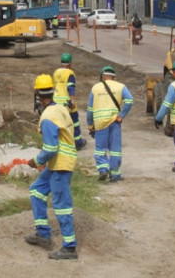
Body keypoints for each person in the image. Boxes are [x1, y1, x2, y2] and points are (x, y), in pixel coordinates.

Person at [24, 74, 79, 260]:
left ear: (38, 95)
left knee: (62, 205)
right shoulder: (60, 109)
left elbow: (50, 148)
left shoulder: (47, 117)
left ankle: (69, 247)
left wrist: (37, 161)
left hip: (60, 164)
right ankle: (43, 234)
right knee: (36, 191)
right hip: (59, 162)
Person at [87, 66, 133, 182]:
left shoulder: (95, 88)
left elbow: (90, 109)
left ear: (103, 76)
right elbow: (129, 100)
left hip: (100, 123)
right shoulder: (120, 86)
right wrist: (121, 115)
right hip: (114, 122)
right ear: (114, 77)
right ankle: (115, 174)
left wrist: (90, 124)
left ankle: (103, 169)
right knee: (115, 149)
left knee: (100, 149)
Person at [53, 53, 86, 150]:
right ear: (70, 63)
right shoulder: (69, 73)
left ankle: (61, 142)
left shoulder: (56, 72)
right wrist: (73, 100)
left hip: (56, 102)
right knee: (74, 122)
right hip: (67, 103)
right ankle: (77, 142)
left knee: (60, 123)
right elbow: (70, 87)